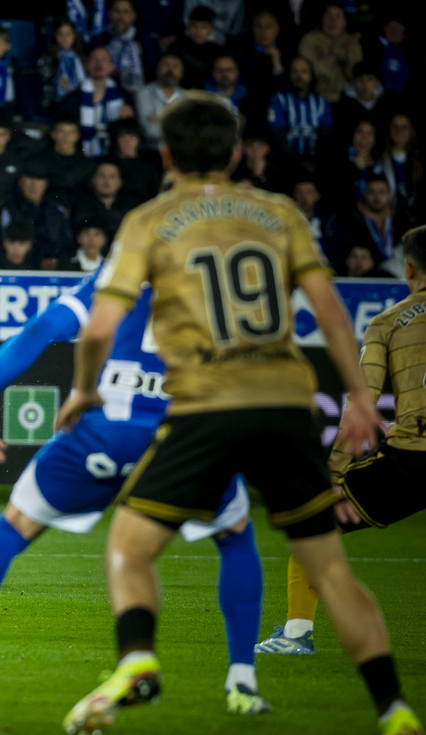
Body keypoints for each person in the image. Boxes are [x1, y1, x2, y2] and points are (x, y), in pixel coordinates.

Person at [50, 94, 421, 735]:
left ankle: (138, 659)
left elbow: (97, 329)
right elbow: (332, 310)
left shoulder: (149, 220)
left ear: (166, 155)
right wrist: (361, 399)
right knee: (330, 567)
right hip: (284, 406)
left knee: (129, 548)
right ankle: (394, 709)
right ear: (237, 151)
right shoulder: (278, 213)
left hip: (205, 408)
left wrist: (83, 391)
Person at [0, 263, 268, 717]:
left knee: (13, 529)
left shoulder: (128, 263)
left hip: (105, 429)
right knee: (235, 536)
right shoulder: (227, 279)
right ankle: (242, 682)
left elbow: (43, 328)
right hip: (185, 436)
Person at [256, 226, 426, 656]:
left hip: (412, 460)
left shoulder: (388, 322)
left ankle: (296, 636)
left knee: (311, 525)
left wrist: (332, 471)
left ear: (407, 268)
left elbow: (360, 404)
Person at [297, 3, 361, 104]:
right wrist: (333, 56)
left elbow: (356, 75)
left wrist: (348, 56)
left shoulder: (350, 41)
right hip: (316, 97)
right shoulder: (309, 40)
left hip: (346, 98)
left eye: (338, 16)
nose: (333, 21)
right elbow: (309, 73)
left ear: (344, 22)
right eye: (328, 16)